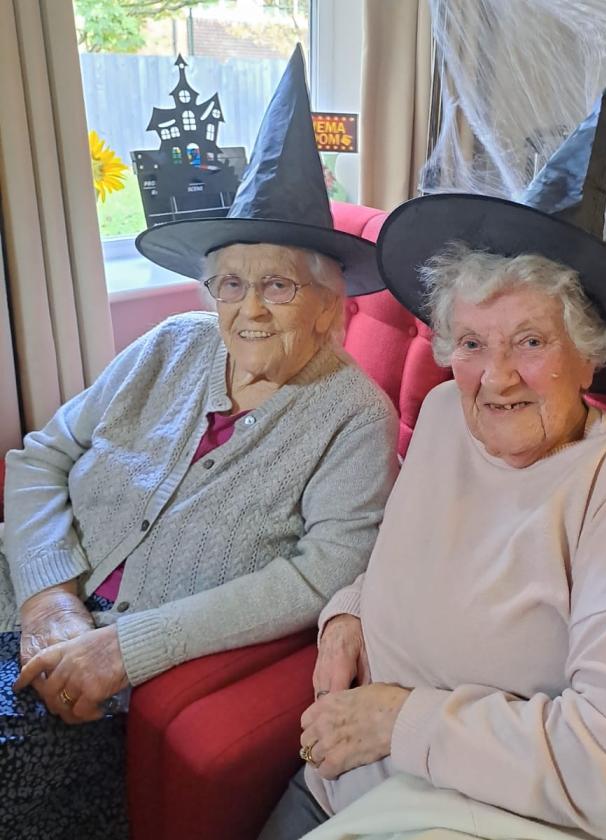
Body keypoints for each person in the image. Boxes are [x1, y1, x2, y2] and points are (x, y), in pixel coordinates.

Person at [260, 83, 606, 840]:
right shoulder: (441, 415)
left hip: (473, 812)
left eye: (531, 341)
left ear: (589, 356)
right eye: (471, 343)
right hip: (342, 776)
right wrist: (348, 615)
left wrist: (400, 721)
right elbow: (411, 560)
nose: (495, 378)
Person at [0, 45, 396, 840]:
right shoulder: (172, 344)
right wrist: (46, 592)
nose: (248, 307)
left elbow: (323, 573)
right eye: (229, 282)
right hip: (27, 603)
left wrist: (126, 647)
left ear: (329, 308)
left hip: (117, 674)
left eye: (279, 284)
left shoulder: (355, 416)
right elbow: (42, 454)